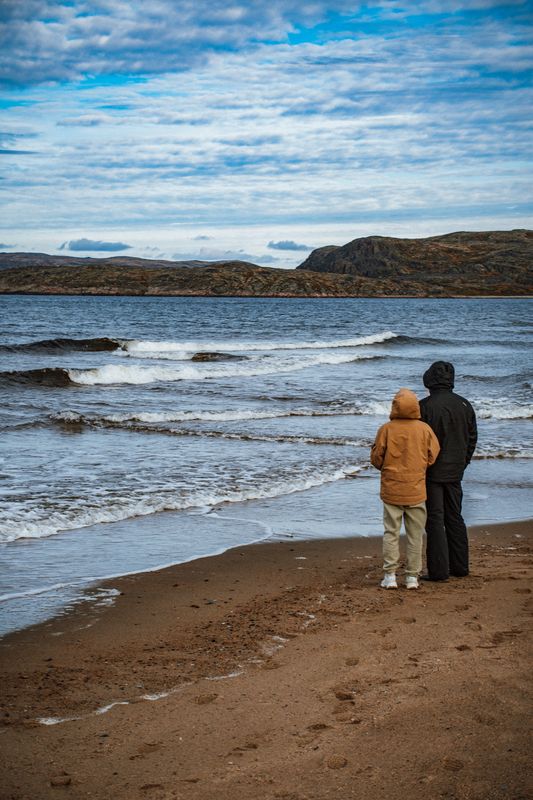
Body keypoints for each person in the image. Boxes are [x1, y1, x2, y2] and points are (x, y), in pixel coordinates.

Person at [371, 388, 440, 590]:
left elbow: (377, 458)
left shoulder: (386, 429)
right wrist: (420, 466)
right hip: (416, 488)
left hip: (392, 489)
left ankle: (390, 575)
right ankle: (412, 577)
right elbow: (433, 454)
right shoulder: (424, 429)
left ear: (395, 407)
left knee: (391, 533)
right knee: (415, 535)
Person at [419, 361, 477, 581]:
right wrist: (463, 462)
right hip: (456, 471)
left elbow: (418, 442)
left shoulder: (424, 406)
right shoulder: (464, 405)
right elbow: (472, 438)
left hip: (431, 472)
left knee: (434, 519)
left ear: (430, 380)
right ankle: (460, 566)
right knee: (455, 517)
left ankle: (439, 570)